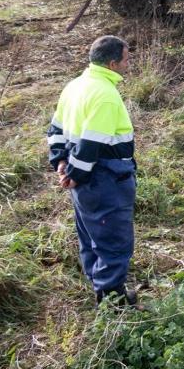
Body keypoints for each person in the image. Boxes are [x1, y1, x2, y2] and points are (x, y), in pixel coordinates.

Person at [47, 36, 138, 306]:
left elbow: (55, 131)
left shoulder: (75, 86)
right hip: (105, 179)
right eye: (127, 59)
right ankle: (112, 304)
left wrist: (61, 163)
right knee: (113, 241)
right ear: (112, 63)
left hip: (85, 183)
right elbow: (91, 144)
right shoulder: (106, 95)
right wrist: (74, 173)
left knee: (91, 236)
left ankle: (100, 287)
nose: (129, 63)